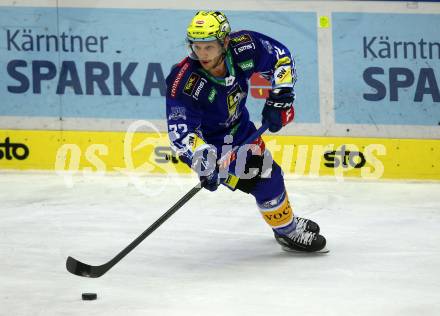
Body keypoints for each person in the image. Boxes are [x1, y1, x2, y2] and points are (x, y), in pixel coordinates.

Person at [165, 11, 326, 252]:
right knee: (266, 178)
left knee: (269, 176)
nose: (202, 54)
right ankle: (288, 231)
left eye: (208, 47)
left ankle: (284, 220)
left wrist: (279, 99)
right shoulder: (185, 81)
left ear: (225, 42)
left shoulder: (244, 47)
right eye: (196, 47)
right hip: (217, 146)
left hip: (242, 128)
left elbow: (280, 58)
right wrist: (204, 160)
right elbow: (180, 133)